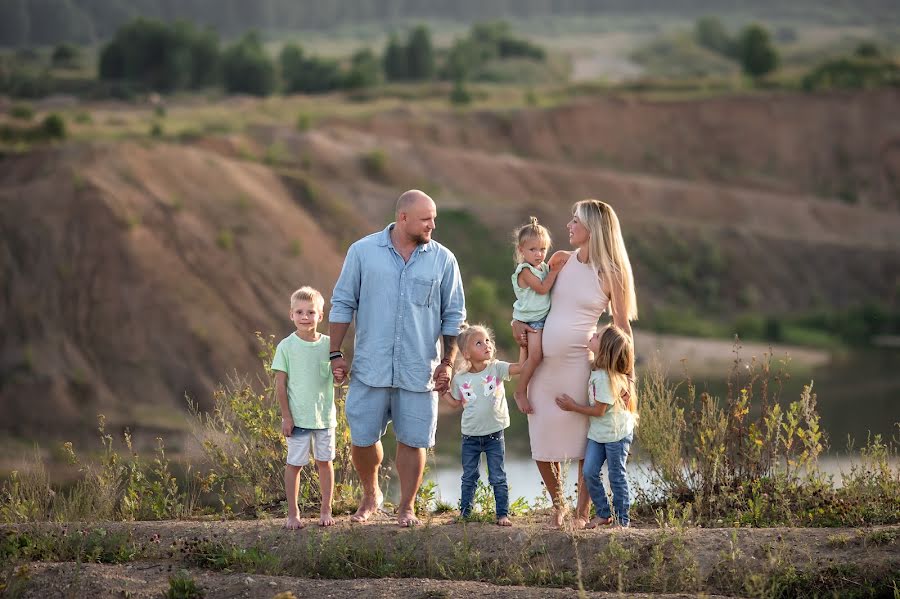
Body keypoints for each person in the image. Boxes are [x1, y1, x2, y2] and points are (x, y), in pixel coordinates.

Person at [329, 189, 466, 527]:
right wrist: (335, 353)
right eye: (426, 219)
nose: (433, 224)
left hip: (419, 369)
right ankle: (371, 493)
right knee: (362, 439)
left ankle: (406, 507)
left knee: (414, 440)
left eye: (434, 218)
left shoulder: (443, 260)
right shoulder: (362, 252)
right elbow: (343, 303)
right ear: (403, 218)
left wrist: (447, 363)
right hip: (369, 367)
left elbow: (453, 317)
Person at [512, 199, 637, 529]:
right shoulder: (560, 261)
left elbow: (622, 327)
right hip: (543, 368)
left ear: (592, 229)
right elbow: (529, 300)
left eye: (575, 221)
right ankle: (558, 506)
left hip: (581, 368)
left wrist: (628, 378)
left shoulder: (611, 273)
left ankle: (582, 512)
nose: (568, 225)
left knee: (586, 444)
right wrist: (517, 324)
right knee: (542, 438)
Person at [439, 323, 527, 526]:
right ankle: (465, 513)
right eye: (479, 343)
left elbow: (521, 368)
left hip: (495, 434)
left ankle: (502, 514)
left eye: (487, 340)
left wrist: (522, 347)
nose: (486, 345)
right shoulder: (460, 379)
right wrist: (442, 391)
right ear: (466, 353)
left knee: (497, 475)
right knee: (469, 476)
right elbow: (454, 404)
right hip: (470, 436)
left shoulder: (497, 368)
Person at [555, 325, 638, 528]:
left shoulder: (604, 378)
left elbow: (599, 411)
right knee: (590, 471)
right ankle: (603, 513)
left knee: (616, 475)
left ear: (605, 349)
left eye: (597, 336)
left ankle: (622, 520)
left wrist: (572, 406)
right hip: (599, 433)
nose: (592, 335)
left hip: (616, 434)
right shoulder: (598, 370)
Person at [272, 286, 337, 529]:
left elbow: (337, 376)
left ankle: (326, 509)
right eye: (299, 312)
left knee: (325, 462)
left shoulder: (330, 345)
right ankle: (293, 514)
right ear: (291, 315)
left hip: (324, 419)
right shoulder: (286, 347)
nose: (305, 317)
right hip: (297, 419)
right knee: (294, 465)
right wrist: (286, 417)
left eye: (311, 312)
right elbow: (280, 385)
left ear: (321, 316)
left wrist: (340, 373)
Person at [510, 216, 560, 415]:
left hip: (541, 318)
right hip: (531, 320)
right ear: (521, 250)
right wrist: (555, 271)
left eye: (543, 249)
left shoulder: (543, 268)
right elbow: (541, 288)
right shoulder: (525, 271)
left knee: (535, 357)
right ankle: (520, 391)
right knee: (536, 356)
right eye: (533, 250)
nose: (539, 254)